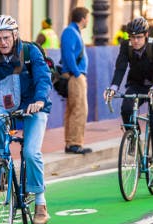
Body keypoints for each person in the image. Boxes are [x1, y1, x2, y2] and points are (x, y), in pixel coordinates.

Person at [0, 15, 53, 224]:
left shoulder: (30, 52)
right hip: (8, 107)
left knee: (31, 153)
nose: (3, 42)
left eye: (6, 37)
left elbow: (43, 78)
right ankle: (3, 165)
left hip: (34, 106)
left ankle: (40, 203)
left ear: (15, 35)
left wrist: (40, 100)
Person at [103, 17, 153, 187]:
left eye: (138, 37)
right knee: (126, 108)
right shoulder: (126, 46)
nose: (135, 41)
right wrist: (113, 87)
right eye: (132, 37)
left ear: (145, 35)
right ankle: (134, 138)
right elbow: (120, 68)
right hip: (137, 84)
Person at [60, 7, 92, 155]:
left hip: (75, 75)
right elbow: (68, 55)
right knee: (79, 110)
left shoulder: (73, 32)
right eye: (87, 17)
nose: (88, 20)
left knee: (74, 109)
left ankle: (72, 142)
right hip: (75, 76)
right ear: (83, 18)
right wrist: (77, 73)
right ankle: (74, 143)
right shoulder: (70, 32)